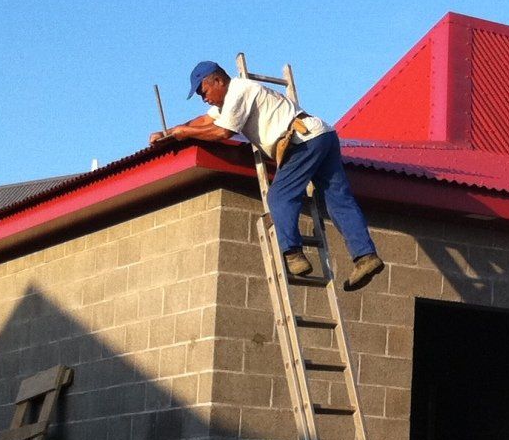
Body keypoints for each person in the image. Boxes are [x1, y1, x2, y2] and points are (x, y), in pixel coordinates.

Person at [152, 59, 385, 290]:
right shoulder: (227, 101)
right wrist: (170, 133)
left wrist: (185, 133)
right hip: (323, 135)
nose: (204, 98)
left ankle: (293, 254)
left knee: (279, 197)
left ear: (218, 80)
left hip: (301, 140)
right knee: (338, 199)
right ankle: (365, 256)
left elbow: (223, 131)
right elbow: (205, 120)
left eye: (203, 92)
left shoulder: (239, 90)